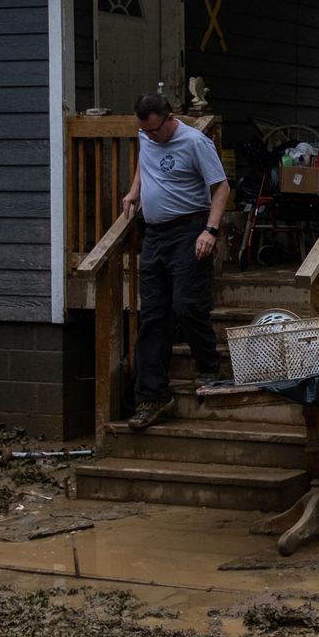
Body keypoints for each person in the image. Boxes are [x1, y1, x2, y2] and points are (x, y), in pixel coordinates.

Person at [120, 93, 229, 430]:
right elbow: (144, 156)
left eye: (155, 130)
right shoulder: (145, 135)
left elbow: (221, 187)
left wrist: (210, 230)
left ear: (170, 118)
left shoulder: (195, 143)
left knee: (186, 306)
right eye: (146, 131)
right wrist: (135, 189)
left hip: (190, 230)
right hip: (155, 234)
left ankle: (209, 368)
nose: (151, 136)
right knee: (152, 316)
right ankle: (152, 396)